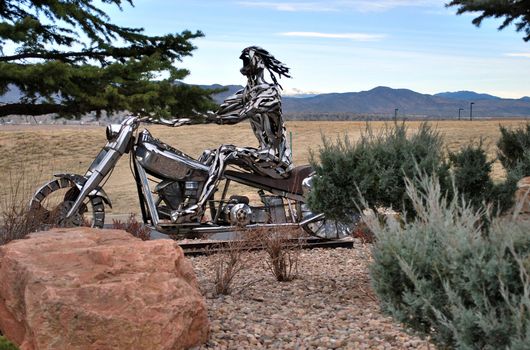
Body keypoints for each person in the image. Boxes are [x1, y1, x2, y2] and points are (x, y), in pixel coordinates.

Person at [171, 46, 293, 223]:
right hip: (263, 157)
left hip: (277, 162)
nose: (243, 61)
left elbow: (240, 114)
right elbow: (218, 111)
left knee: (224, 152)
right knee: (208, 154)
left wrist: (217, 118)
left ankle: (197, 209)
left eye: (248, 58)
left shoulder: (269, 92)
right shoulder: (247, 92)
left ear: (259, 62)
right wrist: (179, 119)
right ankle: (188, 204)